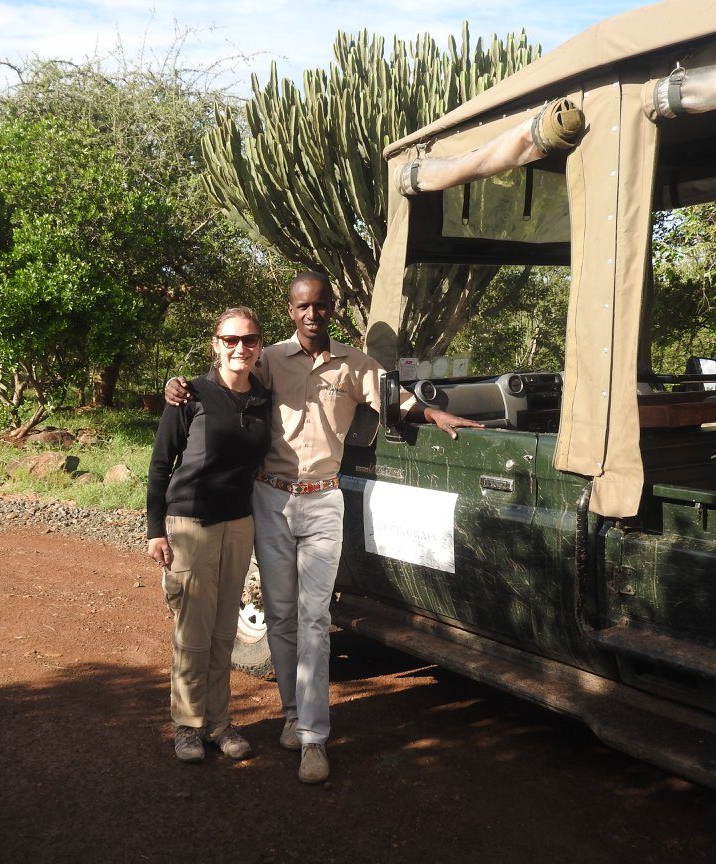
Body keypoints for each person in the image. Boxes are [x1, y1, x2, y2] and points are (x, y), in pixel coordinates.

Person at [166, 272, 482, 784]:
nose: (312, 314)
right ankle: (291, 715)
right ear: (291, 311)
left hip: (322, 501)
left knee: (315, 620)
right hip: (268, 498)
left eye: (321, 306)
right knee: (283, 617)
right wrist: (175, 386)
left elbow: (393, 398)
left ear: (332, 309)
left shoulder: (356, 364)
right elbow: (225, 379)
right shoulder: (268, 359)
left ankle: (314, 737)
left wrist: (433, 413)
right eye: (302, 306)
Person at [147, 307, 271, 764]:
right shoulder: (190, 396)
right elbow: (161, 465)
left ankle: (219, 722)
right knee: (193, 632)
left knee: (223, 632)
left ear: (260, 345)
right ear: (216, 343)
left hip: (239, 524)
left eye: (250, 340)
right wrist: (154, 530)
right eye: (231, 339)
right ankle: (187, 727)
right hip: (191, 524)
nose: (241, 348)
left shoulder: (262, 397)